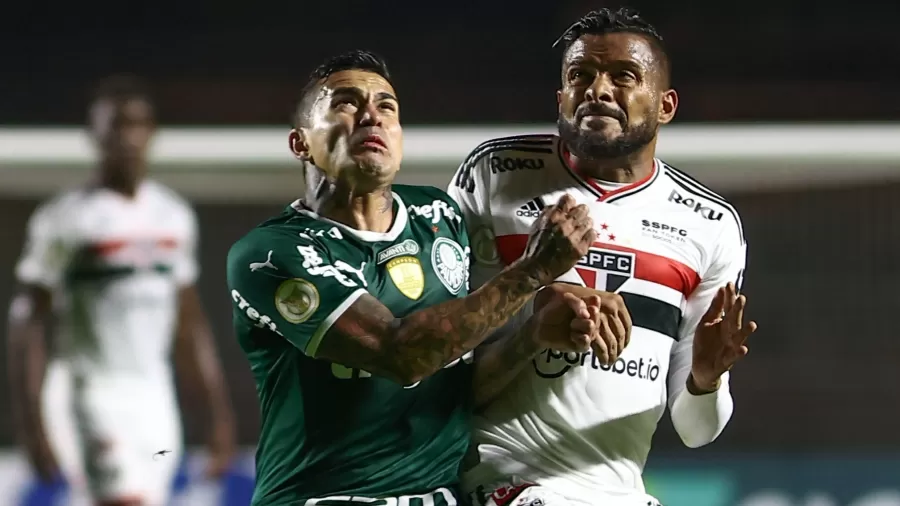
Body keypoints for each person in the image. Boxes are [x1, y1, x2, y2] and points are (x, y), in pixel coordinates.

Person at [225, 49, 628, 506]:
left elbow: (453, 385)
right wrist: (532, 272)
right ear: (301, 143)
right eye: (346, 102)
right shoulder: (270, 253)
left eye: (387, 106)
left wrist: (532, 335)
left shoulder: (436, 216)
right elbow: (402, 355)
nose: (371, 117)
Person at [447, 8, 759, 506]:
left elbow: (697, 431)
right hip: (510, 487)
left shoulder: (710, 223)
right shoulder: (496, 173)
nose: (597, 89)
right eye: (580, 76)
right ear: (561, 99)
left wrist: (705, 379)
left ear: (665, 105)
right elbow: (441, 366)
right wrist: (533, 319)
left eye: (624, 76)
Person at [6, 76, 236, 506]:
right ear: (94, 136)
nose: (127, 137)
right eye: (115, 126)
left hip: (153, 395)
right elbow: (27, 321)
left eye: (136, 124)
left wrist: (218, 416)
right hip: (89, 390)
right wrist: (30, 423)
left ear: (152, 133)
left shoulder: (172, 215)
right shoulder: (66, 219)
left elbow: (188, 323)